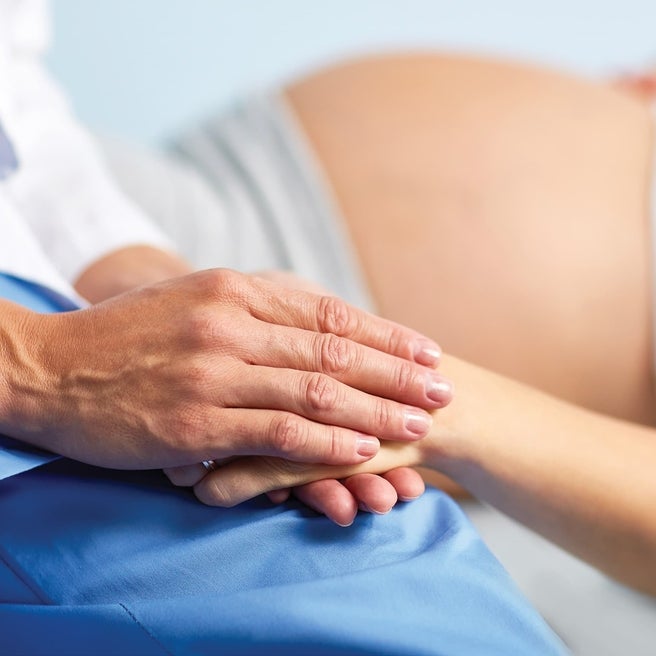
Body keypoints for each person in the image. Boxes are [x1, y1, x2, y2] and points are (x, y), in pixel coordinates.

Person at [0, 2, 568, 654]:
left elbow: (12, 97)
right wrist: (39, 369)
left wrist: (158, 292)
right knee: (406, 598)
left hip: (60, 278)